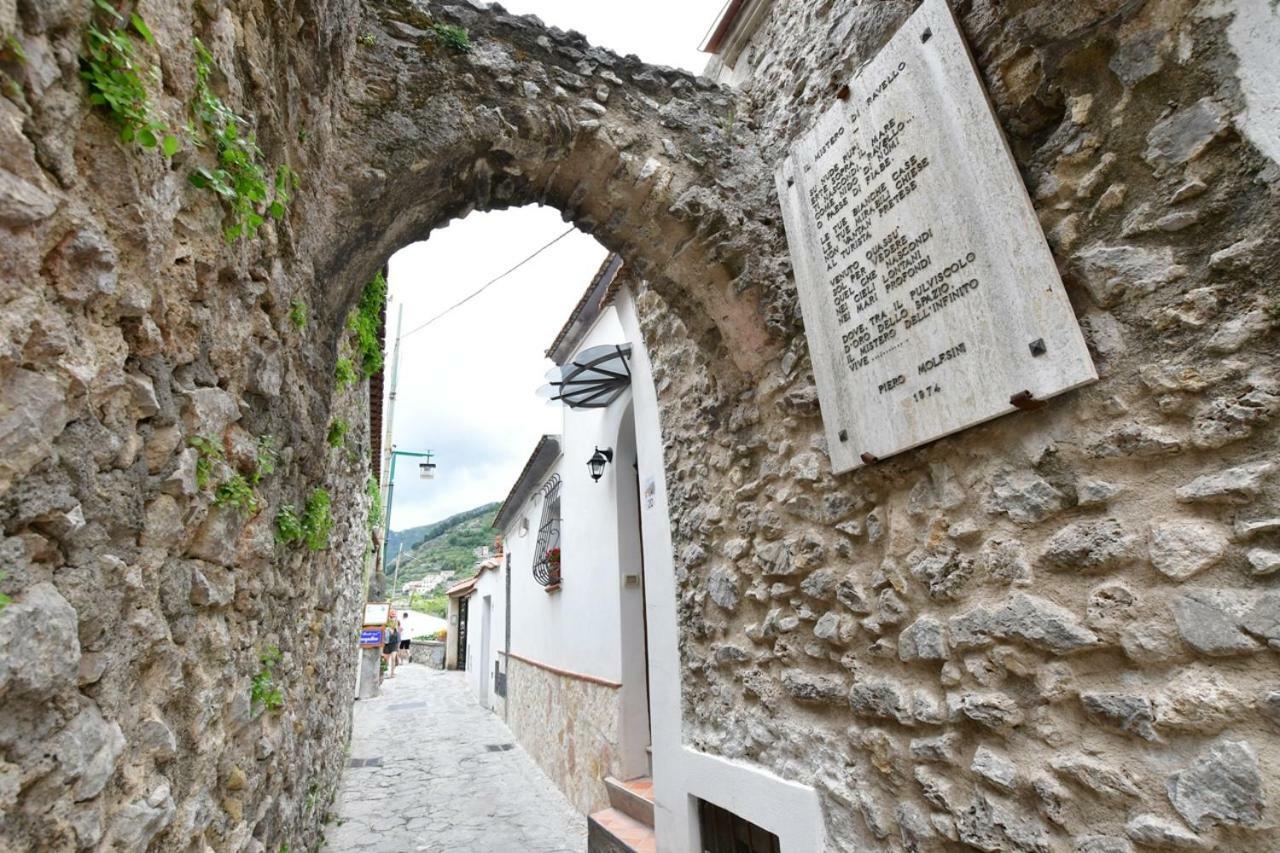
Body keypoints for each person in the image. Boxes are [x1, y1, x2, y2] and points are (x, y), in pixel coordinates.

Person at [382, 614, 400, 679]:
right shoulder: (386, 628)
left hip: (394, 645)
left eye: (393, 618)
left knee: (393, 658)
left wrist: (398, 647)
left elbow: (398, 638)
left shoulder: (396, 629)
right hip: (387, 644)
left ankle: (392, 673)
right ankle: (384, 673)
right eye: (391, 618)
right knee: (385, 660)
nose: (392, 622)